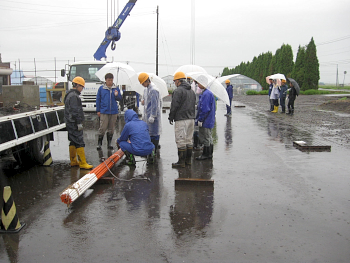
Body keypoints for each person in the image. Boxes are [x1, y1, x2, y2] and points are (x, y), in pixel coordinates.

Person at [64, 76, 93, 169]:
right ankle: (82, 163)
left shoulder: (69, 94)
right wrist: (78, 123)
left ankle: (73, 161)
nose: (82, 89)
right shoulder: (74, 96)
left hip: (70, 122)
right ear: (77, 85)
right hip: (73, 122)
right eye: (81, 87)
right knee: (79, 141)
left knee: (73, 141)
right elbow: (75, 111)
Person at [168, 71, 196, 168]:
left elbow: (174, 106)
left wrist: (171, 117)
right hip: (191, 119)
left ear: (178, 81)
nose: (175, 83)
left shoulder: (178, 91)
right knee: (189, 140)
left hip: (181, 119)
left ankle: (181, 162)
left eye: (175, 81)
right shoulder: (192, 91)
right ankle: (188, 161)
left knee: (180, 140)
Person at [138, 72, 162, 163]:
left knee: (154, 134)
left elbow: (155, 104)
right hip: (147, 115)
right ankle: (150, 152)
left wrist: (153, 115)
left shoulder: (153, 90)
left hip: (153, 117)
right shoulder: (147, 89)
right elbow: (147, 101)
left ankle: (154, 152)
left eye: (143, 83)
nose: (143, 85)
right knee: (149, 134)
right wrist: (143, 101)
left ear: (147, 81)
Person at [96, 73, 123, 150]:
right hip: (104, 111)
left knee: (111, 128)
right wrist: (98, 110)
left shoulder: (116, 88)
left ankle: (109, 143)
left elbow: (120, 99)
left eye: (111, 80)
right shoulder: (101, 88)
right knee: (103, 127)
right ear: (105, 80)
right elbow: (98, 99)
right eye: (109, 80)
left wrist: (117, 95)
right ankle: (99, 143)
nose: (110, 82)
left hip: (113, 111)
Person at [194, 76, 216, 160]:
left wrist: (200, 119)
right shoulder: (208, 92)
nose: (198, 85)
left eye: (199, 83)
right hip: (209, 119)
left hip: (205, 120)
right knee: (209, 137)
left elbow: (205, 109)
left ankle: (206, 154)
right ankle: (209, 153)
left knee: (206, 138)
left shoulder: (206, 94)